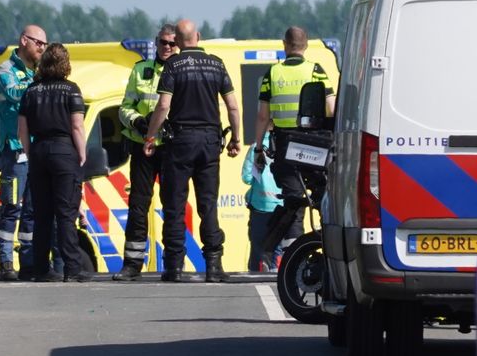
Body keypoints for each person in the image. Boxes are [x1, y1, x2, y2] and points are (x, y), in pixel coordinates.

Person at [143, 19, 241, 283]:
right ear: (197, 36)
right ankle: (213, 266)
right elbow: (232, 106)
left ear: (178, 41)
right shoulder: (217, 63)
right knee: (208, 204)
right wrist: (236, 138)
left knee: (174, 204)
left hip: (180, 141)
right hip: (210, 141)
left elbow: (163, 106)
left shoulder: (174, 65)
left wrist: (150, 136)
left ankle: (174, 267)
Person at [252, 26, 335, 250]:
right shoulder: (315, 70)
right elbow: (331, 107)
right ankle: (327, 246)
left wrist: (259, 148)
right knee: (322, 198)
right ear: (305, 45)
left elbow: (262, 116)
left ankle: (294, 256)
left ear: (285, 45)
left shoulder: (273, 73)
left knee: (293, 201)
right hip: (315, 146)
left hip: (285, 146)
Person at [18, 43, 91, 282]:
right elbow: (77, 126)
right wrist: (81, 154)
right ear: (65, 64)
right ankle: (72, 269)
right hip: (63, 151)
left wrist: (30, 153)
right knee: (66, 213)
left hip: (39, 150)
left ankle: (40, 269)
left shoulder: (31, 91)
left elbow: (22, 129)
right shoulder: (71, 90)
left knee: (42, 214)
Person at [111, 24, 178, 281]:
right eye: (163, 42)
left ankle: (173, 263)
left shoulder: (182, 70)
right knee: (138, 205)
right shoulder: (140, 70)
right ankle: (132, 263)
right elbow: (124, 107)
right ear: (156, 43)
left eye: (172, 43)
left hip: (171, 146)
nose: (168, 47)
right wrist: (138, 121)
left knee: (173, 205)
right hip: (142, 146)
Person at [0, 26, 46, 282]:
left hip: (36, 149)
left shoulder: (38, 72)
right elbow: (15, 94)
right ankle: (5, 261)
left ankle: (28, 261)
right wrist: (39, 83)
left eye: (45, 45)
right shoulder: (5, 69)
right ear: (24, 41)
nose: (42, 48)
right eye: (39, 43)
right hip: (15, 150)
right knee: (12, 205)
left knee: (33, 209)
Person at [242, 131, 284, 271]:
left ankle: (255, 272)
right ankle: (275, 271)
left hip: (259, 205)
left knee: (257, 247)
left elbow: (247, 177)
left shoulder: (256, 147)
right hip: (281, 205)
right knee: (278, 247)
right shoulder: (285, 145)